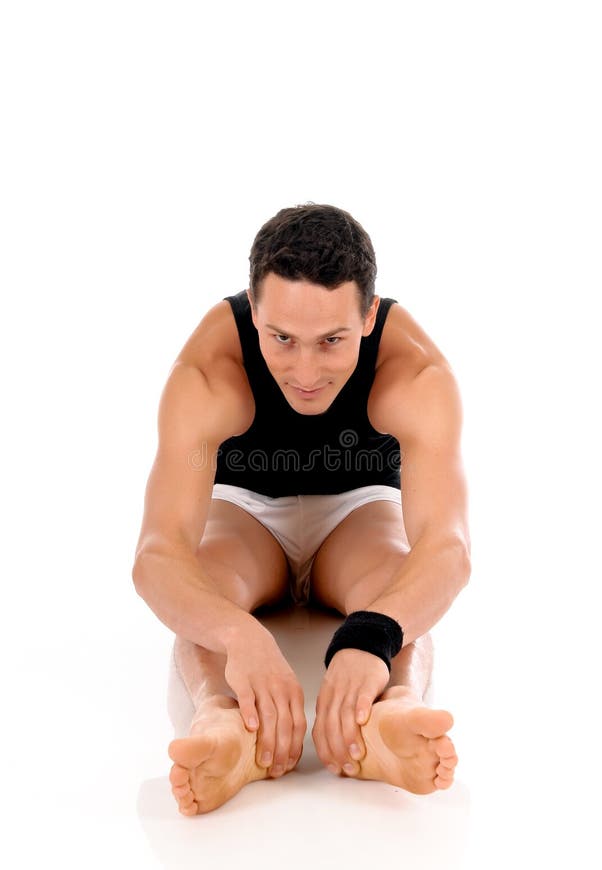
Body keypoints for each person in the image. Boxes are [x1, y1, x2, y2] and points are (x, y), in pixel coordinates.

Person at [132, 202, 471, 816]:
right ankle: (220, 718)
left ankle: (392, 707)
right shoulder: (210, 371)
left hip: (357, 513)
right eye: (281, 338)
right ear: (254, 311)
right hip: (246, 514)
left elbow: (446, 548)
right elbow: (157, 557)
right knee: (204, 584)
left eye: (332, 341)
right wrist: (238, 635)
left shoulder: (415, 373)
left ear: (369, 315)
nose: (305, 371)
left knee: (397, 578)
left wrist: (370, 638)